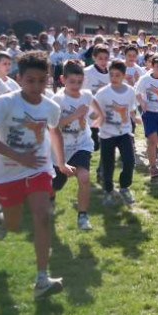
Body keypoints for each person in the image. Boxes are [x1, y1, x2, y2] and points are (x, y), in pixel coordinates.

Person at [0, 51, 72, 299]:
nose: (36, 86)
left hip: (38, 168)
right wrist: (19, 156)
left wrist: (61, 162)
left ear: (49, 80)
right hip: (6, 174)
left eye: (41, 80)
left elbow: (55, 132)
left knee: (43, 216)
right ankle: (2, 218)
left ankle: (42, 280)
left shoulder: (51, 107)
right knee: (14, 225)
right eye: (30, 80)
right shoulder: (4, 103)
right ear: (19, 78)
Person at [51, 61, 99, 229]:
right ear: (63, 79)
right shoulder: (57, 99)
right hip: (60, 148)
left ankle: (82, 216)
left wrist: (90, 119)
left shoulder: (86, 95)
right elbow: (54, 127)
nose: (76, 86)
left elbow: (97, 113)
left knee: (84, 177)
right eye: (72, 82)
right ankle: (49, 198)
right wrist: (75, 115)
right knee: (56, 185)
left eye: (79, 82)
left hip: (81, 144)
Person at [95, 60, 138, 205]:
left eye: (117, 75)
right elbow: (94, 111)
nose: (113, 78)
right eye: (111, 75)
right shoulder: (103, 93)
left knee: (129, 161)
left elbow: (131, 108)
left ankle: (124, 187)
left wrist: (135, 118)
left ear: (124, 76)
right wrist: (97, 117)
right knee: (108, 164)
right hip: (107, 134)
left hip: (125, 132)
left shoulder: (130, 91)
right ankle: (108, 190)